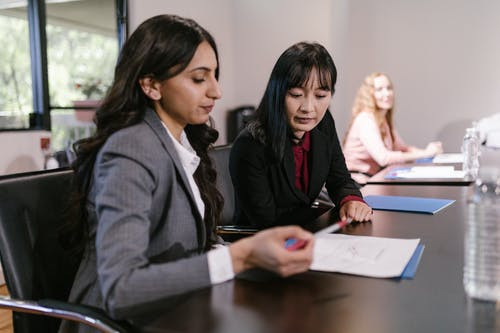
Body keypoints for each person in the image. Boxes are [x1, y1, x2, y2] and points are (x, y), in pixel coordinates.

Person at [60, 15, 314, 332]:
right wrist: (241, 257)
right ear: (151, 84)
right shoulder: (130, 149)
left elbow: (196, 242)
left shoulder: (181, 142)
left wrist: (253, 254)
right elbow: (121, 290)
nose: (217, 91)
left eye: (215, 76)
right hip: (121, 323)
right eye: (199, 79)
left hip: (180, 310)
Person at [229, 42, 372, 229]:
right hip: (264, 244)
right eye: (296, 94)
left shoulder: (323, 124)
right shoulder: (251, 145)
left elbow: (340, 179)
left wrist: (351, 200)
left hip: (307, 233)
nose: (308, 108)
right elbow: (267, 221)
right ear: (277, 93)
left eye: (320, 96)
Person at [342, 72, 443, 184]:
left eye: (389, 88)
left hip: (373, 179)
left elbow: (403, 149)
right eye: (379, 89)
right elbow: (384, 158)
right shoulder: (366, 119)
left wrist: (430, 151)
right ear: (369, 94)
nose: (387, 93)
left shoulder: (383, 120)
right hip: (356, 183)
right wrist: (426, 154)